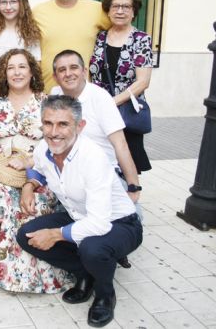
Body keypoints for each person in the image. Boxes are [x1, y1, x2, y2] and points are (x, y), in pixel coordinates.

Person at [17, 95, 143, 327]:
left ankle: (105, 295)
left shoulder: (93, 157)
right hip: (79, 215)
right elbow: (38, 169)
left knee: (92, 248)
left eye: (63, 124)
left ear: (80, 126)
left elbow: (99, 224)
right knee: (26, 235)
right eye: (48, 123)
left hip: (120, 223)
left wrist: (55, 234)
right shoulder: (45, 147)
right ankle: (85, 274)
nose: (54, 132)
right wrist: (28, 185)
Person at [0, 48, 72, 293]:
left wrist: (30, 164)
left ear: (31, 70)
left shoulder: (45, 101)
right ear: (3, 72)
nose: (16, 72)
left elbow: (55, 143)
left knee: (33, 205)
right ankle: (6, 271)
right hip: (2, 169)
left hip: (39, 168)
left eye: (22, 66)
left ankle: (40, 275)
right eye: (11, 67)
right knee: (4, 200)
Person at [51, 50, 141, 202]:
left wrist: (133, 187)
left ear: (84, 71)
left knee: (129, 219)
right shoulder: (55, 94)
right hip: (66, 175)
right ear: (55, 77)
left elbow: (120, 144)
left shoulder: (100, 97)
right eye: (62, 70)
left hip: (101, 174)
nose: (68, 73)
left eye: (74, 67)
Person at [89, 0, 153, 174]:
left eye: (126, 7)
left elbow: (143, 81)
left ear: (134, 12)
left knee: (128, 161)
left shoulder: (141, 39)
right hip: (100, 110)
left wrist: (113, 102)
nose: (120, 11)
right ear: (108, 11)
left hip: (126, 111)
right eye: (115, 6)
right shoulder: (100, 37)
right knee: (100, 160)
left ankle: (131, 197)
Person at [33, 0, 110, 93]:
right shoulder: (37, 13)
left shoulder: (97, 9)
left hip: (85, 94)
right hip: (48, 92)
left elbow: (120, 34)